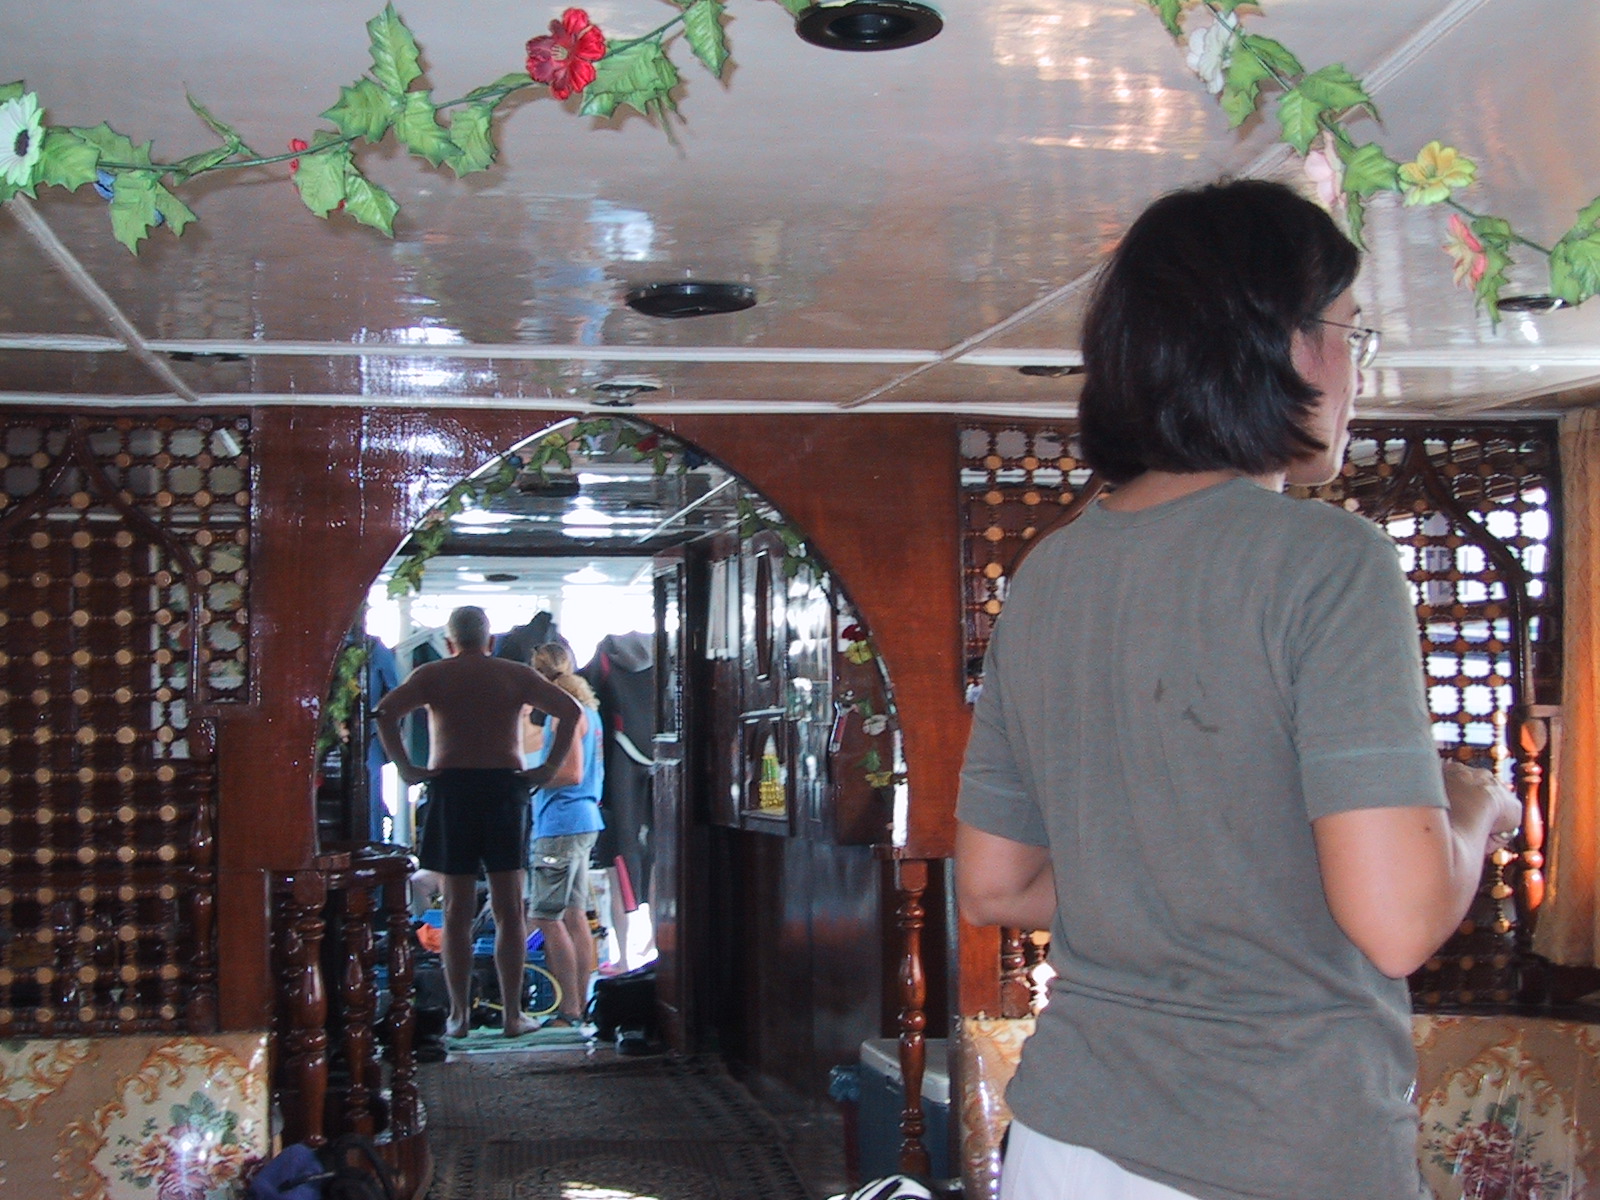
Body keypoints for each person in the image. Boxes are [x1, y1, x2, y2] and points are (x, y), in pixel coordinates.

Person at [954, 179, 1521, 1200]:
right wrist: (1473, 805)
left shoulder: (1051, 573)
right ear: (1282, 345)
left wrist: (1197, 873)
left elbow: (994, 885)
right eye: (1351, 333)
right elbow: (1397, 923)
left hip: (1063, 1140)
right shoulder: (1328, 561)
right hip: (1273, 1147)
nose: (1358, 371)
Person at [375, 606, 581, 1039]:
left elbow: (385, 713)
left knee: (455, 910)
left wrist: (407, 768)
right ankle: (512, 1016)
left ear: (450, 642)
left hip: (452, 790)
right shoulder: (513, 674)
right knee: (509, 909)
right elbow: (569, 710)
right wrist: (547, 768)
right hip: (504, 790)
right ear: (490, 640)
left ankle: (459, 1016)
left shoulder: (433, 675)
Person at [525, 641, 605, 1030]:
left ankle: (568, 1009)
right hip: (584, 819)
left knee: (546, 917)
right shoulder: (589, 710)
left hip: (560, 822)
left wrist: (527, 778)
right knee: (574, 915)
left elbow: (570, 773)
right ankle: (582, 1004)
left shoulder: (563, 715)